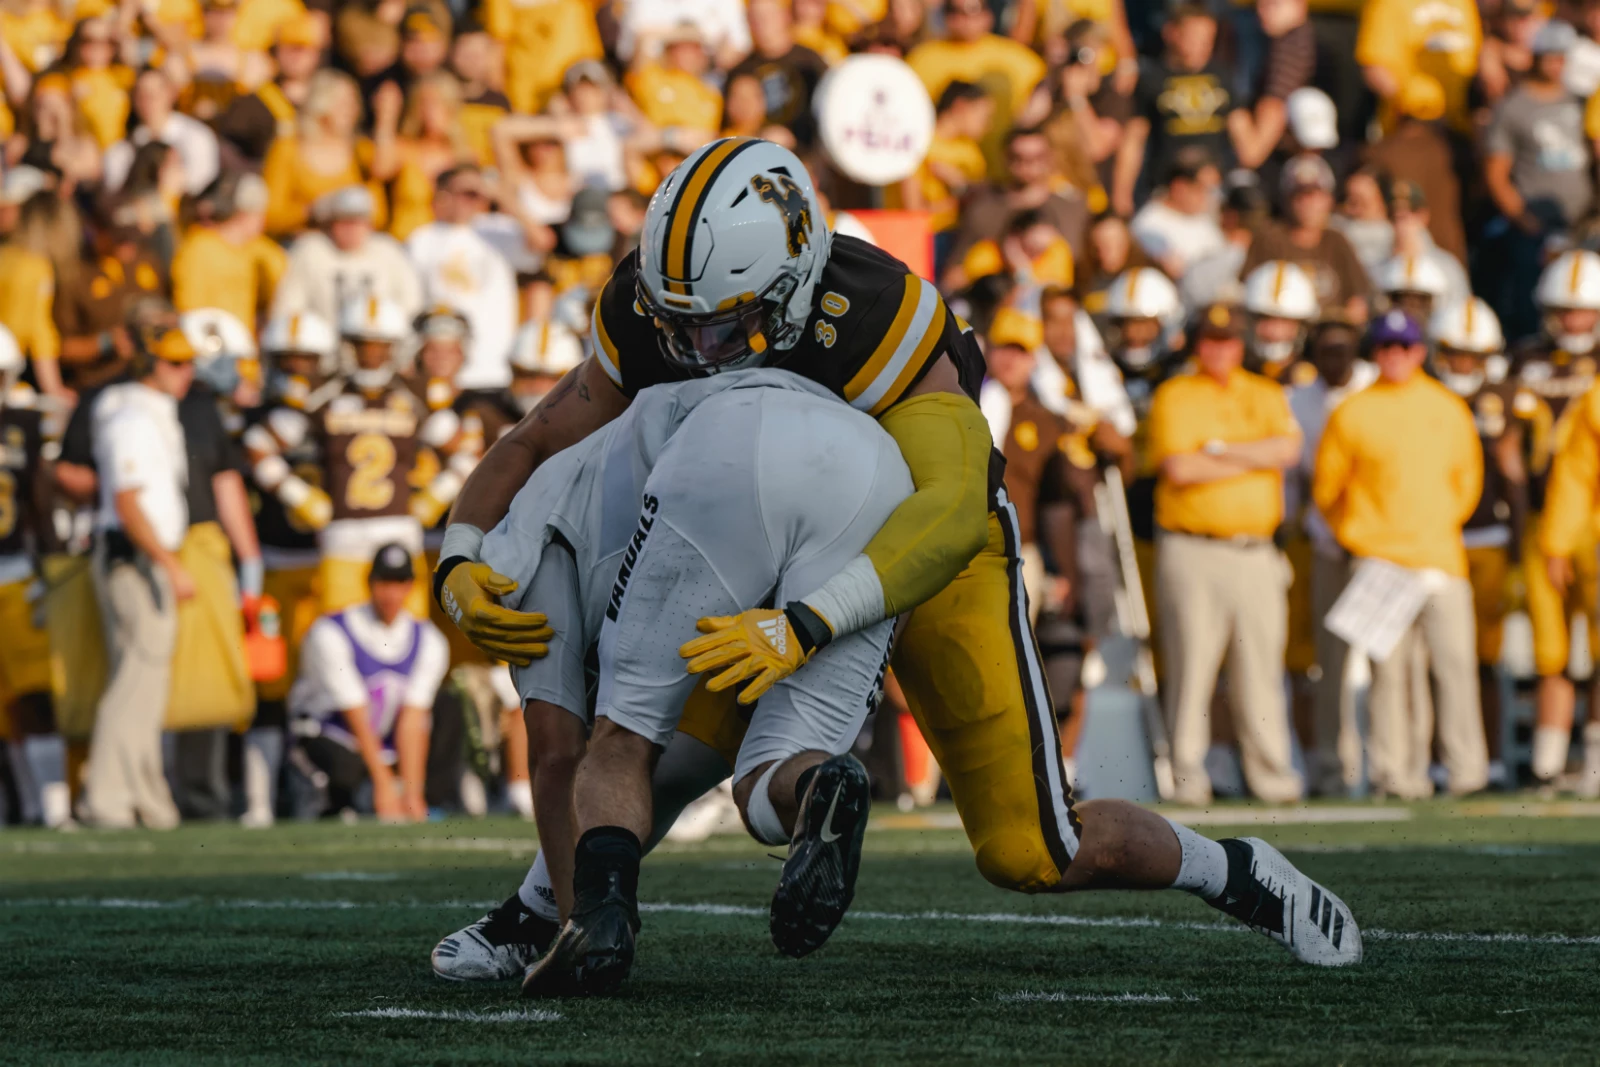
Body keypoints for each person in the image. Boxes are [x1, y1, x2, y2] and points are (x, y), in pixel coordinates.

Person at [430, 138, 1361, 987]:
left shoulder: (873, 313)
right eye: (681, 324)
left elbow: (948, 511)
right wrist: (462, 550)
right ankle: (545, 913)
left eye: (722, 327)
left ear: (794, 280)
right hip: (765, 543)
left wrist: (810, 620)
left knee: (1034, 846)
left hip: (923, 552)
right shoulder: (660, 305)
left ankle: (1234, 869)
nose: (692, 351)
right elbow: (537, 437)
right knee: (658, 753)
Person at [1312, 309, 1488, 798]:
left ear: (1419, 351)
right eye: (1386, 347)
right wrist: (1363, 536)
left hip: (1439, 557)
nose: (1395, 355)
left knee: (1454, 668)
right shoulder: (1353, 410)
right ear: (1376, 352)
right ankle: (1396, 774)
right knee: (1390, 676)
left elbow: (1467, 479)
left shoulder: (1447, 406)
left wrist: (1432, 525)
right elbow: (1328, 488)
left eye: (1404, 347)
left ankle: (1466, 770)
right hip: (1380, 559)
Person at [1146, 302, 1304, 806]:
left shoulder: (1264, 390)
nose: (1220, 349)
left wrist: (1217, 450)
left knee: (1260, 671)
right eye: (1211, 340)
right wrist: (1250, 455)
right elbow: (1179, 469)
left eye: (1229, 339)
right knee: (1192, 668)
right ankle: (1188, 778)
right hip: (1194, 546)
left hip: (1257, 549)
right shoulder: (1175, 393)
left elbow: (1287, 452)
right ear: (1197, 344)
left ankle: (1271, 777)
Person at [81, 326, 197, 830]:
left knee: (145, 686)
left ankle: (146, 799)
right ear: (148, 365)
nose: (185, 372)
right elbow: (128, 502)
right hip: (135, 557)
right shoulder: (131, 417)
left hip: (142, 554)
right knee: (135, 681)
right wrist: (168, 563)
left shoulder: (147, 413)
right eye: (173, 363)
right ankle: (106, 800)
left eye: (186, 362)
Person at [1511, 249, 1600, 788]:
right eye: (1565, 309)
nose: (1573, 320)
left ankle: (1592, 762)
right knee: (1551, 650)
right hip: (1540, 518)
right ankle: (1547, 764)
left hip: (1592, 519)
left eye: (1583, 310)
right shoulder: (1525, 360)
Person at [1431, 297, 1523, 785]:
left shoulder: (1504, 396)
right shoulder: (1424, 393)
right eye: (1455, 353)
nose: (1463, 364)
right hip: (1433, 540)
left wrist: (1519, 549)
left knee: (1484, 661)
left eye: (1472, 355)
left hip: (1486, 536)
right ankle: (1438, 756)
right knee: (1437, 661)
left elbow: (1515, 475)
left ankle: (1488, 756)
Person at [288, 542, 448, 820]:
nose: (391, 592)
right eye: (384, 582)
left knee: (451, 707)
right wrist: (384, 783)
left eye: (399, 582)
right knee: (345, 771)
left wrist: (412, 794)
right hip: (331, 735)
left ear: (411, 586)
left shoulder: (429, 639)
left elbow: (413, 717)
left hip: (383, 745)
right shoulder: (330, 632)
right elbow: (355, 713)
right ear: (369, 583)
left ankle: (417, 796)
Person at [1284, 320, 1377, 795]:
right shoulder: (1297, 400)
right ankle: (1330, 768)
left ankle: (1387, 767)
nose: (1336, 360)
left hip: (1380, 546)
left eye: (1344, 350)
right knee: (1329, 663)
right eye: (1326, 350)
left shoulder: (1379, 389)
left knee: (1387, 663)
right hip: (1325, 544)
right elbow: (1294, 479)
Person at [1485, 21, 1592, 341]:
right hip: (1534, 226)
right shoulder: (1513, 107)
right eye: (1550, 57)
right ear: (1536, 57)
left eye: (1562, 57)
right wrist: (1523, 220)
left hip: (1581, 223)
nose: (1557, 65)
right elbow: (1496, 174)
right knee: (1535, 301)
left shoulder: (1580, 101)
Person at [0, 324, 66, 829]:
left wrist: (53, 563)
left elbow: (40, 500)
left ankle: (53, 808)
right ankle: (24, 804)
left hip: (16, 573)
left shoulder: (21, 421)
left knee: (36, 694)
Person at [1113, 0, 1233, 216]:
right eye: (1194, 38)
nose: (1202, 46)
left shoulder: (1222, 77)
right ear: (1171, 33)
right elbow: (1134, 139)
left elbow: (1245, 141)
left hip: (1212, 194)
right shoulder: (1152, 79)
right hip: (1165, 194)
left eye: (1208, 40)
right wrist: (1121, 195)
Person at [406, 165, 518, 392]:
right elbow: (410, 303)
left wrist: (501, 195)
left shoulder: (497, 231)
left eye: (478, 194)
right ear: (443, 196)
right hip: (440, 373)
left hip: (493, 371)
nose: (473, 200)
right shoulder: (421, 239)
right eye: (466, 193)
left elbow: (543, 241)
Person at [906, 0, 1046, 175]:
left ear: (988, 15)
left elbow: (1044, 90)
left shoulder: (1016, 57)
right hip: (936, 167)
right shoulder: (922, 58)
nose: (965, 19)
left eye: (973, 10)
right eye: (955, 11)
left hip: (1003, 171)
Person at [1244, 154, 1371, 324]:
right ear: (1286, 200)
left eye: (1315, 195)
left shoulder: (1337, 241)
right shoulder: (1269, 239)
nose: (1307, 203)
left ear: (1329, 200)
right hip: (1283, 328)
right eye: (1299, 196)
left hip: (1327, 332)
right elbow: (1249, 293)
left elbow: (1357, 302)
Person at [271, 185, 423, 327]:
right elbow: (287, 308)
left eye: (357, 221)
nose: (350, 229)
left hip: (376, 347)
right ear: (330, 224)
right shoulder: (310, 251)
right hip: (324, 347)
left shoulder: (388, 252)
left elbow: (410, 306)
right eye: (343, 221)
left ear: (370, 225)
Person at [1128, 147, 1225, 281]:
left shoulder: (1204, 217)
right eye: (1203, 189)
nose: (1210, 197)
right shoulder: (1147, 226)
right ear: (1179, 187)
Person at [1241, 259, 1320, 381]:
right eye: (1266, 319)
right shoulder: (1234, 374)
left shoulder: (1317, 379)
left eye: (1285, 322)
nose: (1274, 332)